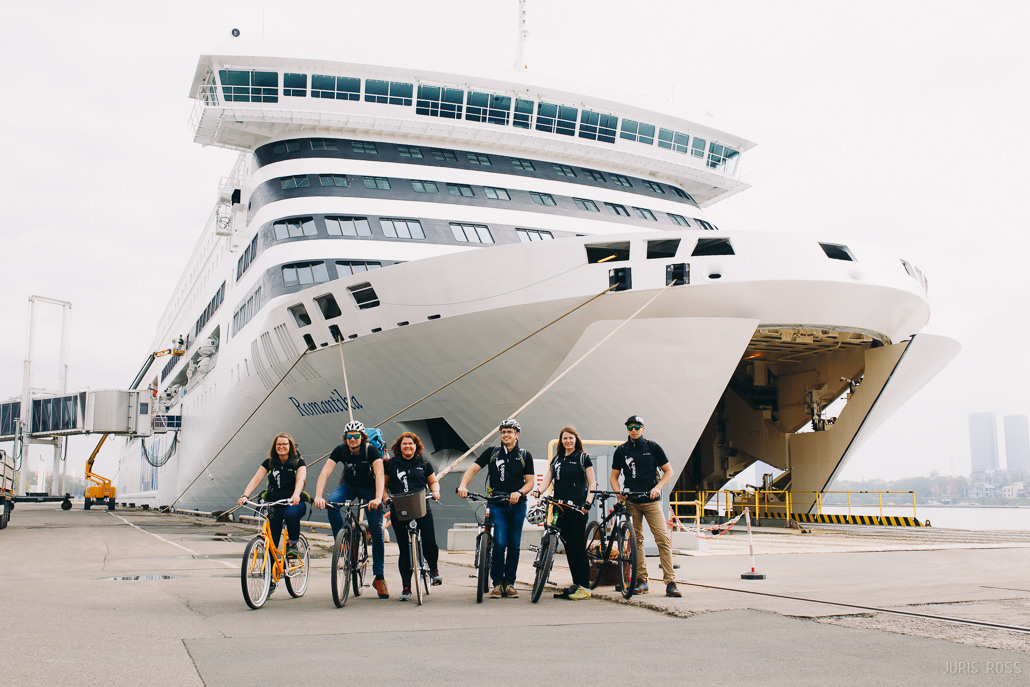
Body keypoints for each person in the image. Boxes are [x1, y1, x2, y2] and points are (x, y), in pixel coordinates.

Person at [457, 418, 535, 599]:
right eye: (503, 432)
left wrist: (520, 492)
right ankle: (498, 583)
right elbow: (473, 469)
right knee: (499, 544)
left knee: (514, 545)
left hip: (517, 504)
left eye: (510, 432)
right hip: (497, 503)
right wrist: (463, 485)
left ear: (517, 435)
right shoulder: (492, 453)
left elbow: (530, 482)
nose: (506, 435)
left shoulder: (524, 455)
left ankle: (510, 583)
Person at [313, 420, 389, 599]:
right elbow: (325, 472)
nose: (353, 439)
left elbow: (379, 474)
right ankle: (345, 542)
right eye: (349, 436)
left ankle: (379, 577)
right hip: (349, 485)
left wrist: (378, 498)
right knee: (332, 504)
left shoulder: (370, 449)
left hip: (370, 488)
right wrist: (318, 496)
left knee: (376, 530)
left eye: (356, 436)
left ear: (362, 437)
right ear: (345, 438)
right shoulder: (340, 450)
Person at [610, 415, 681, 597]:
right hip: (632, 501)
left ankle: (670, 582)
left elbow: (668, 471)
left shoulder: (653, 447)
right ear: (627, 429)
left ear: (643, 428)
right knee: (636, 542)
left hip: (651, 501)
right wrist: (618, 493)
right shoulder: (621, 450)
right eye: (630, 427)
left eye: (637, 426)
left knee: (662, 540)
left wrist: (658, 487)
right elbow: (614, 477)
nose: (633, 430)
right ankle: (642, 580)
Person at [532, 425, 596, 600]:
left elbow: (592, 484)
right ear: (561, 441)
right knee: (569, 547)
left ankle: (585, 586)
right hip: (559, 508)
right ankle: (577, 583)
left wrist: (588, 502)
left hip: (577, 509)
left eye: (571, 438)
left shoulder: (583, 458)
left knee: (578, 547)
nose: (568, 441)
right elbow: (548, 479)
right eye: (565, 438)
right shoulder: (557, 459)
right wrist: (539, 490)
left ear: (576, 440)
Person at [384, 432, 442, 601]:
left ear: (416, 446)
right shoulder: (391, 464)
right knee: (404, 549)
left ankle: (434, 570)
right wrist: (385, 497)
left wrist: (436, 491)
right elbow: (384, 486)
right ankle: (406, 587)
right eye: (404, 444)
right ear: (399, 447)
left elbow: (433, 482)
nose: (408, 446)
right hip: (399, 507)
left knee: (430, 541)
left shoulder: (423, 463)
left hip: (421, 506)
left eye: (411, 443)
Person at [238, 432, 307, 563]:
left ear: (290, 446)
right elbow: (256, 479)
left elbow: (301, 480)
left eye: (284, 444)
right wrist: (245, 495)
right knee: (272, 540)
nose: (281, 447)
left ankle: (292, 544)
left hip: (293, 503)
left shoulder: (298, 462)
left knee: (291, 514)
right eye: (278, 444)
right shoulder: (269, 463)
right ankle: (270, 574)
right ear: (274, 446)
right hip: (274, 505)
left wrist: (296, 495)